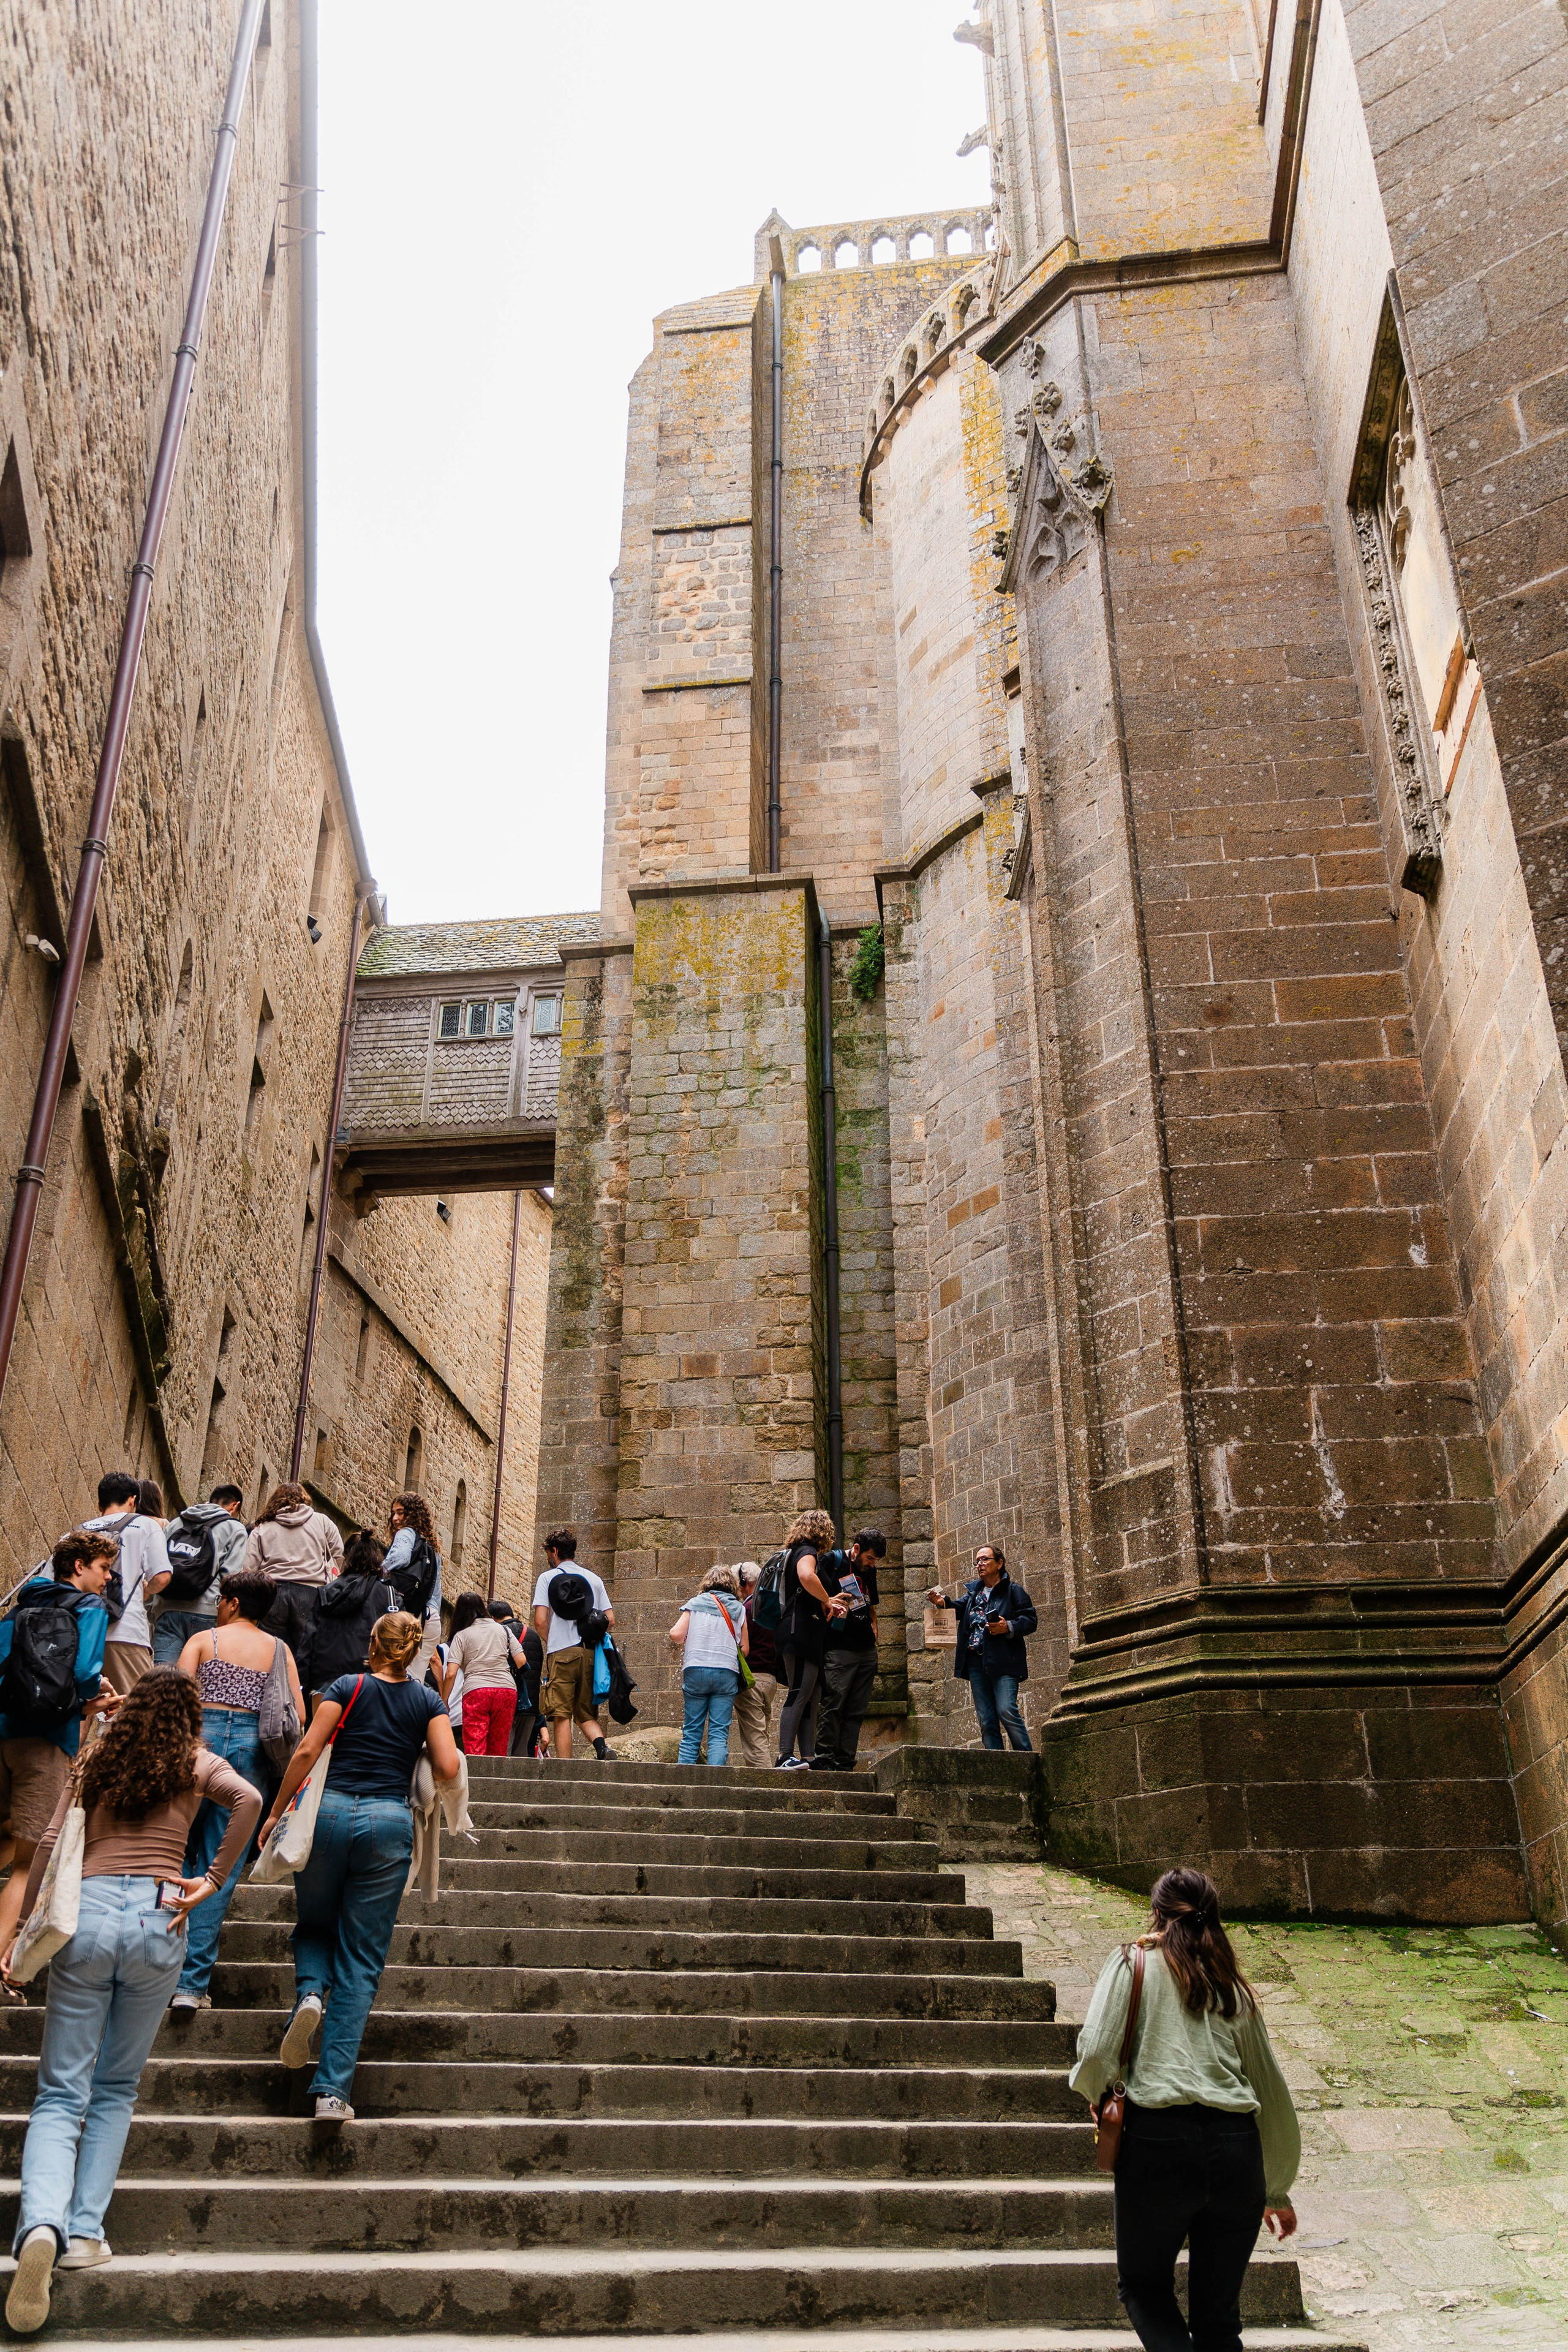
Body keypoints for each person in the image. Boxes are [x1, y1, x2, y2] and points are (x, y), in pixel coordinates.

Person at [1, 1668, 261, 2331]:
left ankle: (40, 2226)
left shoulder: (96, 1758)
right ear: (189, 1716)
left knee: (62, 2091)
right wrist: (210, 1880)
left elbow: (54, 1844)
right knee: (115, 2088)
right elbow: (250, 1800)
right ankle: (85, 2233)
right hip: (158, 1917)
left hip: (83, 1916)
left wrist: (20, 1937)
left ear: (131, 1710)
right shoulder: (193, 1759)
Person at [1070, 1867, 1300, 2352]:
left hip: (1157, 2143)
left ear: (1156, 1914)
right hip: (1237, 2151)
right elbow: (1271, 2091)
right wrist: (1276, 2188)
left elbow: (1095, 2053)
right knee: (1218, 2322)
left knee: (1144, 2287)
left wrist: (1096, 2098)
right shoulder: (1232, 1987)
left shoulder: (1132, 1963)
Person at [258, 1611, 459, 2124]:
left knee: (315, 1924)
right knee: (363, 1957)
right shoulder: (427, 1700)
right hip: (387, 1823)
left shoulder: (345, 1686)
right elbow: (450, 1765)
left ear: (372, 1645)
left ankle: (309, 1993)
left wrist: (277, 1813)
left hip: (327, 1815)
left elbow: (306, 1749)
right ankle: (331, 2091)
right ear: (414, 1651)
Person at [168, 1568, 303, 2012]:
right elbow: (296, 1713)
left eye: (223, 1598)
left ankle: (153, 1968)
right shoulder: (280, 1651)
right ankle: (190, 1986)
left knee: (169, 1851)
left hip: (196, 1745)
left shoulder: (205, 1641)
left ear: (233, 1604)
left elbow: (176, 1700)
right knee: (216, 1868)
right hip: (249, 1756)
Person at [0, 1534, 120, 1962]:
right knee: (25, 1866)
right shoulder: (89, 1608)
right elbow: (87, 1671)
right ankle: (4, 1962)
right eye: (104, 1568)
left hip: (4, 1731)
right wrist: (91, 1698)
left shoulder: (21, 1605)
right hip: (49, 1740)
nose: (108, 1578)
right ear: (80, 1566)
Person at [926, 1541, 1038, 1751]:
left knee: (1006, 1710)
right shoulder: (973, 1593)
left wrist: (1008, 1626)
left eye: (985, 1559)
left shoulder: (1014, 1591)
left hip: (1004, 1661)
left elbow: (1030, 1620)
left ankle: (1026, 1759)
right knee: (986, 1720)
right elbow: (957, 1609)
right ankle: (996, 1766)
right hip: (976, 1662)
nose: (980, 1564)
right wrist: (942, 1602)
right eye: (977, 1561)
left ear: (999, 1563)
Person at [80, 1472, 171, 1694]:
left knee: (84, 1706)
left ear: (99, 1502)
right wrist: (147, 1591)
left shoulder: (77, 1532)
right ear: (133, 1500)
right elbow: (162, 1576)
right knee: (141, 1708)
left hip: (80, 1630)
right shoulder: (146, 1526)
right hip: (125, 1632)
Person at [244, 1482, 344, 1678]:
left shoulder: (263, 1527)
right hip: (310, 1594)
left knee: (270, 1651)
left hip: (272, 1593)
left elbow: (248, 1569)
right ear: (305, 1500)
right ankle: (298, 1701)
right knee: (305, 1655)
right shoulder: (322, 1522)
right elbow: (339, 1555)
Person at [532, 1530, 614, 1761]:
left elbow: (540, 1621)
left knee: (561, 1714)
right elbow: (611, 1619)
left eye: (548, 1552)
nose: (549, 1557)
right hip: (590, 1654)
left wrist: (555, 1642)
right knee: (585, 1712)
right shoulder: (594, 1579)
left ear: (555, 1552)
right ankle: (602, 1749)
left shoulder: (548, 1578)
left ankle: (564, 1768)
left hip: (562, 1653)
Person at [772, 1509, 843, 1770]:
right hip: (799, 1631)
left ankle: (808, 1757)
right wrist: (826, 1600)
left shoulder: (796, 1552)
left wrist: (827, 1601)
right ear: (822, 1530)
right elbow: (806, 1575)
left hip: (804, 1632)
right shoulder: (807, 1552)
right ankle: (783, 1756)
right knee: (800, 1691)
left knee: (811, 1695)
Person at [812, 1527, 886, 1772]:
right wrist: (832, 1599)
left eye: (876, 1560)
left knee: (856, 1709)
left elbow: (871, 1605)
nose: (873, 1564)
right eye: (870, 1558)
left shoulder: (869, 1571)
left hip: (866, 1650)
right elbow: (813, 1596)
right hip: (839, 1647)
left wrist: (875, 1628)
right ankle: (823, 1758)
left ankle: (845, 1761)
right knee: (834, 1703)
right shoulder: (832, 1562)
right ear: (856, 1550)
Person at [151, 1485, 247, 1668]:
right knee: (201, 1683)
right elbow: (231, 1578)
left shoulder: (177, 1523)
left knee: (163, 1680)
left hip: (167, 1608)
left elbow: (156, 1565)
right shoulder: (235, 1528)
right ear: (235, 1506)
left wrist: (153, 1608)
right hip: (207, 1612)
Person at [669, 1565, 748, 1766]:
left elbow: (676, 1635)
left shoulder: (695, 1603)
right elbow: (745, 1648)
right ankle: (715, 1786)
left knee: (691, 1733)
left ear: (707, 1583)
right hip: (726, 1672)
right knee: (719, 1734)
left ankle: (683, 1783)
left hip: (696, 1669)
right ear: (732, 1586)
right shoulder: (739, 1609)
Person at [306, 1531, 394, 1698]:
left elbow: (308, 1642)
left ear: (347, 1558)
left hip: (326, 1676)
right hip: (369, 1679)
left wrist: (303, 1687)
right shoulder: (389, 1595)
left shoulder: (326, 1593)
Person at [440, 1591, 524, 1755]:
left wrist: (444, 1701)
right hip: (506, 1690)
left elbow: (451, 1673)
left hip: (477, 1691)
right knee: (499, 1747)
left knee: (475, 1745)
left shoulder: (461, 1635)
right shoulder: (503, 1630)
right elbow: (521, 1660)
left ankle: (475, 1780)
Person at [380, 1493, 444, 1681]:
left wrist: (376, 1572)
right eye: (393, 1513)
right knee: (415, 1680)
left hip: (409, 1617)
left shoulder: (406, 1533)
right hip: (431, 1619)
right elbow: (437, 1592)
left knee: (394, 1678)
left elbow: (400, 1557)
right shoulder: (433, 1548)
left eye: (401, 1513)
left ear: (413, 1515)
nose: (395, 1518)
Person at [731, 1563, 778, 1768]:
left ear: (744, 1583)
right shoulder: (772, 1609)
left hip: (751, 1681)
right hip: (770, 1680)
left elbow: (740, 1646)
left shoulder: (747, 1610)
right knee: (762, 1735)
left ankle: (766, 1788)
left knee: (755, 1741)